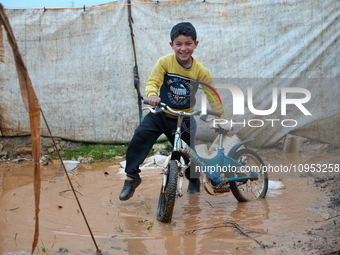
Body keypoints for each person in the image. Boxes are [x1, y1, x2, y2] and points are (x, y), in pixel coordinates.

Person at [119, 22, 226, 201]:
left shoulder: (200, 70)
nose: (183, 48)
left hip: (184, 118)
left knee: (188, 155)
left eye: (188, 44)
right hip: (160, 113)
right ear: (172, 45)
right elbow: (153, 82)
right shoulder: (165, 62)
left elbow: (212, 94)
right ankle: (131, 177)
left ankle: (194, 182)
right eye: (179, 44)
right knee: (140, 137)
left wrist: (222, 118)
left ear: (195, 44)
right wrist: (152, 95)